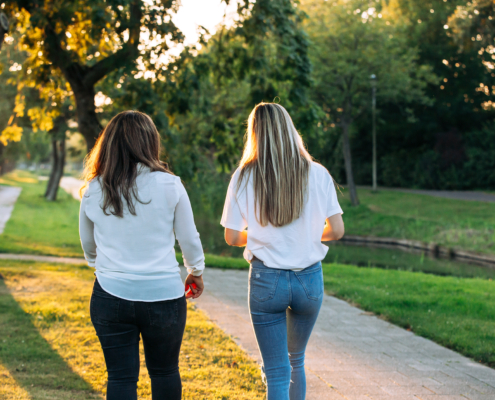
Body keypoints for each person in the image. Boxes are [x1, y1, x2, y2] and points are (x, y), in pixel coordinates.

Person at [221, 103, 344, 400]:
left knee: (277, 371)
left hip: (267, 281)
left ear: (254, 133)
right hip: (309, 281)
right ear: (290, 130)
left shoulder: (243, 175)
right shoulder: (318, 173)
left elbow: (232, 236)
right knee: (296, 360)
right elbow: (337, 231)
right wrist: (307, 236)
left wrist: (263, 238)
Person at [79, 110, 205, 400]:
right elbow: (189, 238)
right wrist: (195, 272)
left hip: (110, 295)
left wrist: (105, 268)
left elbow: (88, 245)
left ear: (108, 144)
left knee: (120, 377)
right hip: (164, 296)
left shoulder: (94, 189)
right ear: (150, 142)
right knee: (164, 372)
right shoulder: (170, 184)